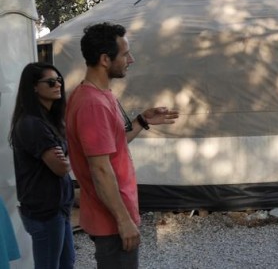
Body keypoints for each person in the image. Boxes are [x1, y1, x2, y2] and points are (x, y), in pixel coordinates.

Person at [65, 22, 179, 269]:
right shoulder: (92, 104)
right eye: (125, 54)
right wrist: (124, 221)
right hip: (111, 220)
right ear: (105, 59)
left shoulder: (99, 94)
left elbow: (113, 144)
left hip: (113, 214)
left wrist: (142, 121)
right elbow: (100, 169)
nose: (132, 59)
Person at [9, 62, 74, 269]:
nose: (58, 85)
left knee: (67, 263)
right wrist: (68, 161)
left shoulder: (49, 120)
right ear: (34, 87)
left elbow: (65, 161)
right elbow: (61, 168)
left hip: (58, 208)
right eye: (51, 82)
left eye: (59, 81)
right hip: (45, 211)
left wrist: (66, 160)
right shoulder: (32, 124)